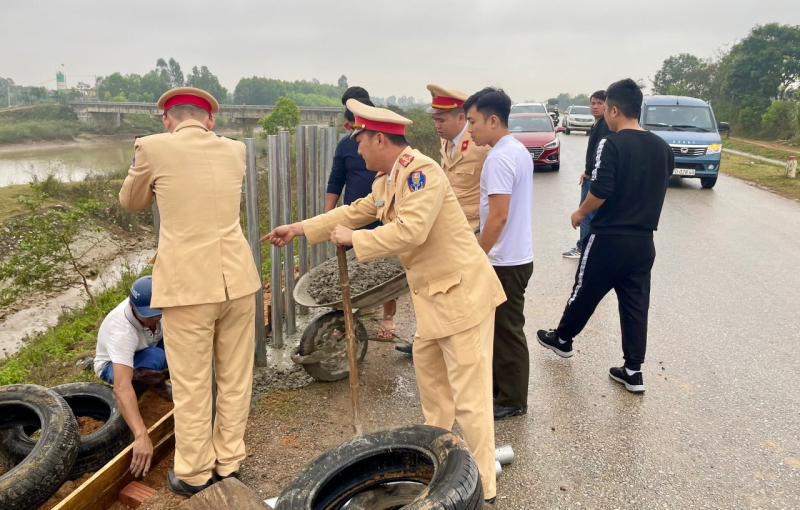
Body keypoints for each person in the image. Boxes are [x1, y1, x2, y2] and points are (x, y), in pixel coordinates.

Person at [262, 99, 506, 503]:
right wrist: (299, 228)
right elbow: (354, 210)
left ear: (379, 139)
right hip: (434, 301)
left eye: (360, 142)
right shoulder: (388, 179)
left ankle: (481, 488)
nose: (356, 151)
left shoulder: (420, 174)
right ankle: (441, 463)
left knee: (471, 400)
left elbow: (410, 232)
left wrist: (354, 239)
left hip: (462, 298)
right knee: (435, 393)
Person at [120, 87, 262, 496]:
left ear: (167, 120)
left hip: (187, 287)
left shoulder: (150, 147)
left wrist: (141, 160)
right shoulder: (236, 151)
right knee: (236, 378)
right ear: (210, 121)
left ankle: (195, 472)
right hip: (236, 280)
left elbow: (131, 200)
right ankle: (229, 462)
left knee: (192, 383)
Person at [537, 78, 674, 393]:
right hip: (644, 241)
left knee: (584, 290)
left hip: (610, 237)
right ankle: (633, 371)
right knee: (636, 305)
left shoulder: (611, 143)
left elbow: (601, 189)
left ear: (614, 110)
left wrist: (580, 213)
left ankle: (562, 339)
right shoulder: (662, 148)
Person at [394, 84, 491, 356]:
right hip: (447, 228)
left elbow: (496, 198)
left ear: (461, 118)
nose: (436, 125)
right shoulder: (445, 142)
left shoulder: (481, 146)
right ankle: (428, 339)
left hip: (473, 230)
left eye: (441, 119)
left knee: (462, 297)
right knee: (433, 288)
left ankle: (467, 352)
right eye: (434, 119)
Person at [464, 88, 534, 421]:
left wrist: (478, 254)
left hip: (505, 260)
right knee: (502, 327)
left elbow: (498, 215)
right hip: (516, 255)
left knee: (507, 331)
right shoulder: (516, 149)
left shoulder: (499, 158)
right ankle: (500, 391)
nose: (470, 129)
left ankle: (512, 399)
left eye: (473, 121)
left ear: (494, 120)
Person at [326, 86, 397, 341]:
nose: (356, 142)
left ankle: (388, 316)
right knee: (347, 268)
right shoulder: (346, 145)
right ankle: (345, 317)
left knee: (386, 268)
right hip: (356, 214)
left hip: (384, 214)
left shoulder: (391, 143)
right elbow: (336, 179)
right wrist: (328, 216)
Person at [94, 275, 170, 479]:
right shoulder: (121, 331)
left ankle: (158, 378)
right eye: (150, 315)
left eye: (158, 313)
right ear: (132, 306)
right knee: (157, 357)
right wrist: (141, 434)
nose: (156, 318)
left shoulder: (161, 308)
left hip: (149, 345)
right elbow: (121, 387)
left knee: (177, 344)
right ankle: (153, 384)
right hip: (112, 365)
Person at [563, 90, 612, 259]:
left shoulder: (605, 126)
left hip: (594, 179)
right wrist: (586, 172)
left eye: (600, 103)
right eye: (593, 103)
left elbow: (600, 154)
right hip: (590, 175)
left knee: (586, 214)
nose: (595, 106)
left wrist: (590, 173)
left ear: (607, 105)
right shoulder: (597, 124)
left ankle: (583, 248)